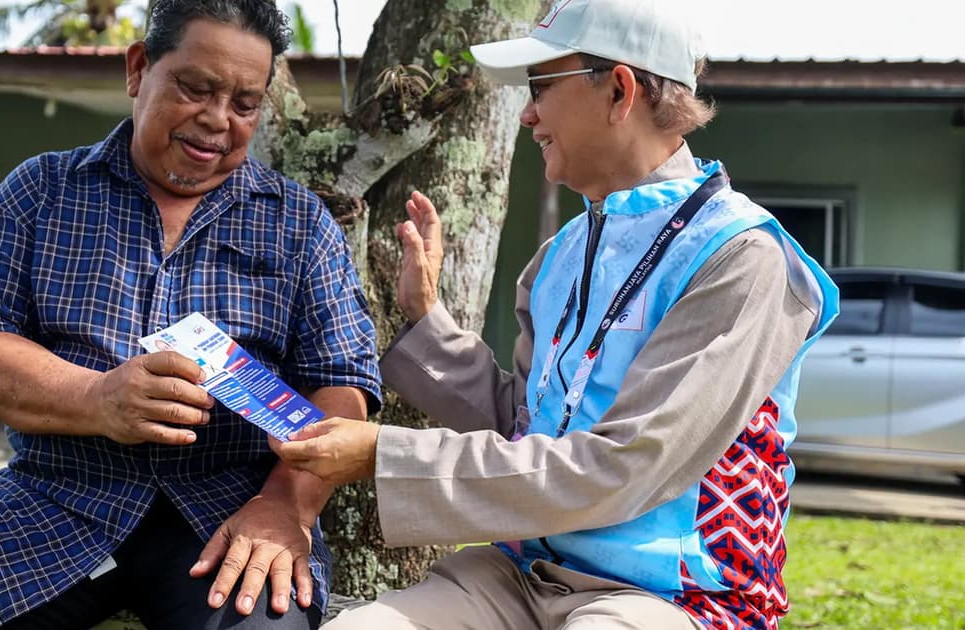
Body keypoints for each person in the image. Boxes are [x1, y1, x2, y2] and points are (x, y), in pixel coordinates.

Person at [272, 1, 839, 629]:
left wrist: (386, 454)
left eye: (541, 86)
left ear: (619, 90)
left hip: (670, 596)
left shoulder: (741, 259)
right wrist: (426, 320)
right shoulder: (560, 257)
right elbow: (529, 426)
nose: (527, 113)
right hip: (517, 576)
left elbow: (625, 467)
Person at [0, 1, 380, 629]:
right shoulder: (40, 192)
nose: (217, 120)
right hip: (51, 500)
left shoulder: (299, 222)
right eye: (196, 88)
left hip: (230, 511)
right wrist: (98, 398)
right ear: (139, 68)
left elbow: (342, 384)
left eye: (245, 104)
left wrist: (287, 506)